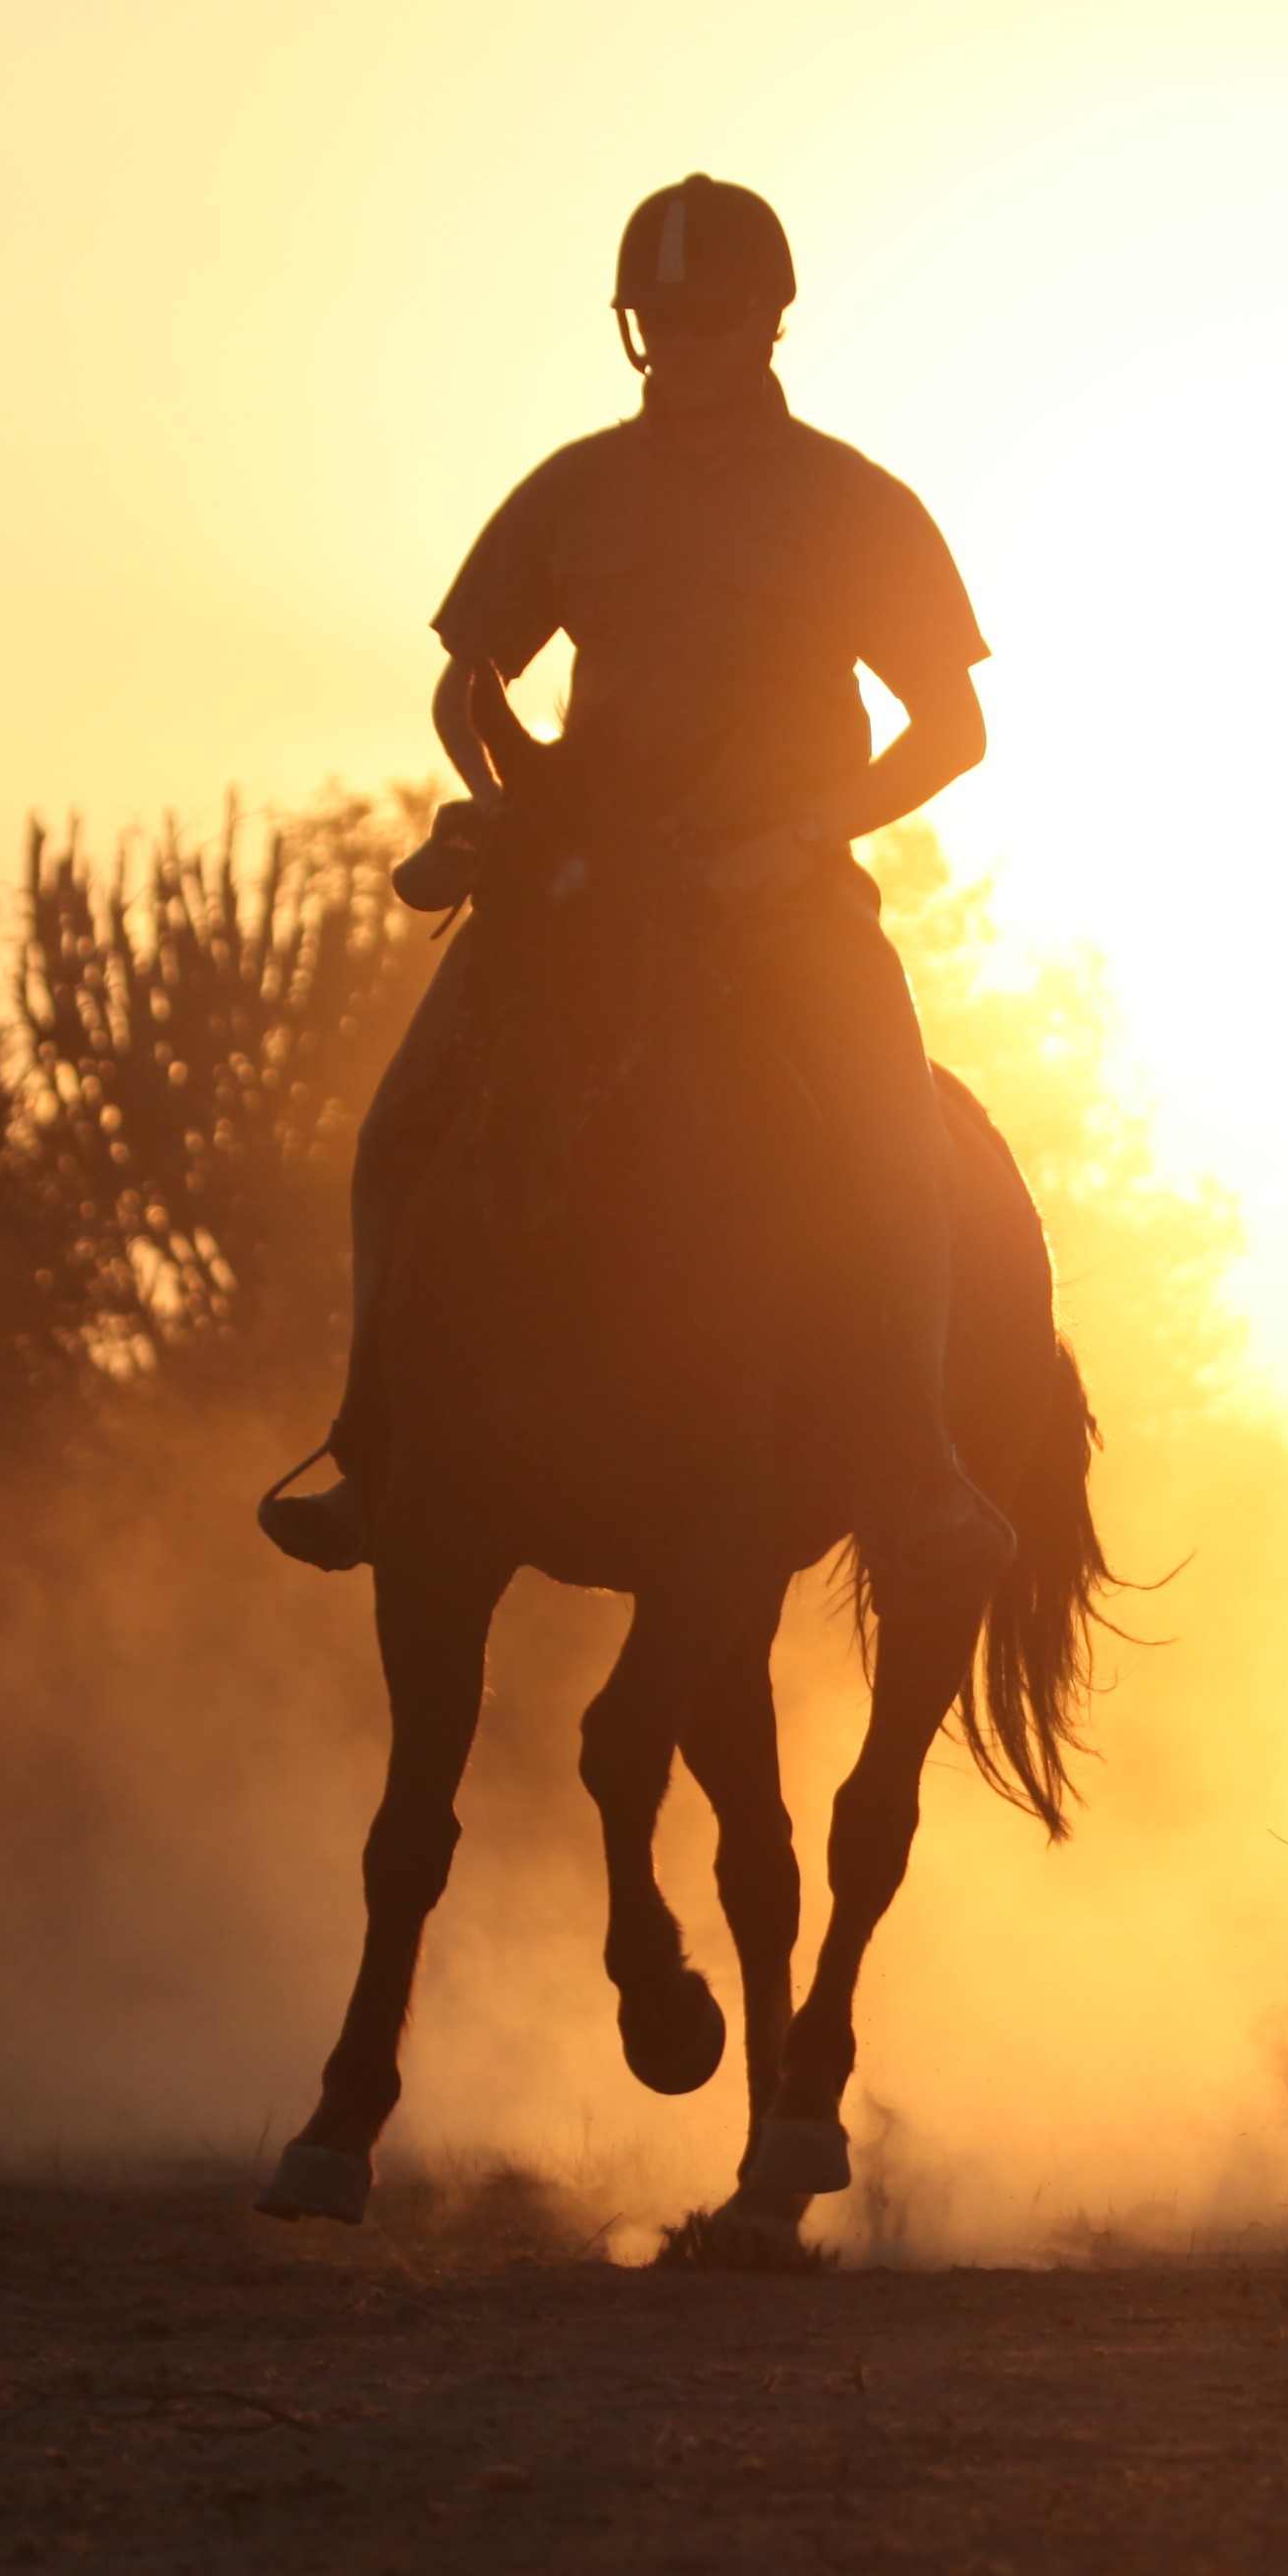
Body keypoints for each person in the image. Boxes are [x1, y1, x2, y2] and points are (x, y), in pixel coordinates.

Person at [261, 172, 1018, 1589]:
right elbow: (465, 677)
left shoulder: (856, 506)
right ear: (633, 329)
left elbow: (953, 729)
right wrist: (509, 803)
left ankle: (916, 1465)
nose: (682, 345)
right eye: (658, 319)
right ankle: (375, 1453)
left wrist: (800, 836)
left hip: (775, 894)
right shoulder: (574, 491)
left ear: (770, 323)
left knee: (897, 1150)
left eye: (709, 317)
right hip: (585, 888)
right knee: (399, 1129)